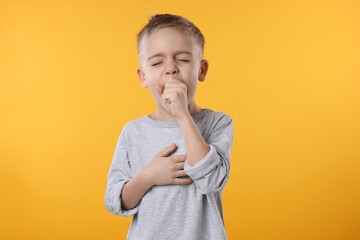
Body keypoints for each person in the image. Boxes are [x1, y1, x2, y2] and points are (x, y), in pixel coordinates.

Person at [104, 13, 234, 240]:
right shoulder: (133, 132)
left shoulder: (218, 123)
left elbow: (211, 181)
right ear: (143, 77)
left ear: (201, 70)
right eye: (157, 62)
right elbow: (116, 202)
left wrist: (183, 115)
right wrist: (148, 176)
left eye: (182, 59)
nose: (171, 69)